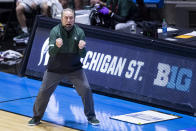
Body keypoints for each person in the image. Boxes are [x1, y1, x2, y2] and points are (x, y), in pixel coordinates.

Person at [28, 8, 100, 126]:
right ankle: (36, 117)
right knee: (43, 92)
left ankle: (91, 117)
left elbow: (83, 55)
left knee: (86, 89)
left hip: (74, 69)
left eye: (71, 18)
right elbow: (51, 52)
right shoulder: (55, 31)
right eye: (66, 18)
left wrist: (82, 48)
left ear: (74, 19)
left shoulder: (80, 32)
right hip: (55, 69)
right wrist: (57, 46)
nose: (68, 20)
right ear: (61, 19)